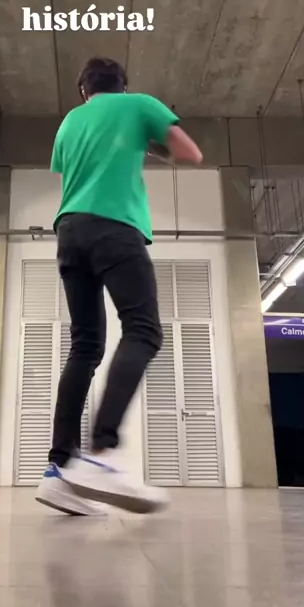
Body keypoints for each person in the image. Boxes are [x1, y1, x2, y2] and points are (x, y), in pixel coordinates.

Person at [36, 57, 202, 515]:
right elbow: (190, 153)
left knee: (85, 346)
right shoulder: (138, 105)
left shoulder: (70, 122)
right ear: (122, 86)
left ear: (83, 90)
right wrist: (147, 145)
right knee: (143, 331)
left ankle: (58, 470)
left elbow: (70, 170)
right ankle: (101, 452)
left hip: (69, 231)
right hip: (115, 228)